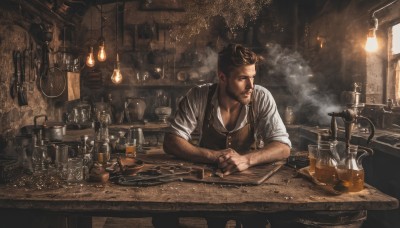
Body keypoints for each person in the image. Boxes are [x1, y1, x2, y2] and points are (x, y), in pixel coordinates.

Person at [154, 43, 292, 228]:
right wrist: (213, 156)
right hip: (208, 183)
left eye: (253, 77)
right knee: (166, 218)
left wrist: (246, 160)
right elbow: (171, 141)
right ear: (222, 77)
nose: (251, 86)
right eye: (243, 78)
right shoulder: (199, 96)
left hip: (251, 183)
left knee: (255, 222)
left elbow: (283, 147)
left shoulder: (261, 97)